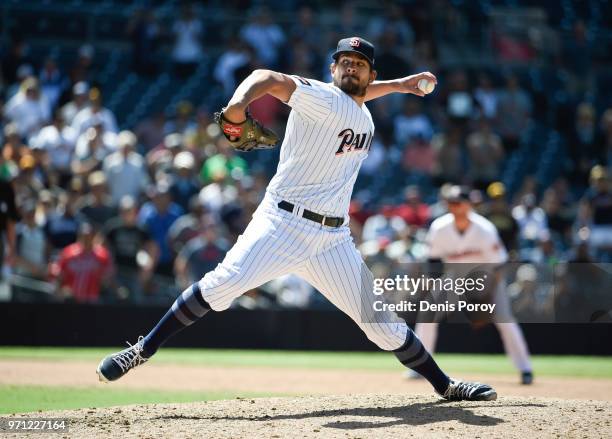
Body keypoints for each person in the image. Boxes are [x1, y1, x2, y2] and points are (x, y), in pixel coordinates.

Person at [97, 37, 497, 402]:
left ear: (371, 74)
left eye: (359, 63)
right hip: (282, 225)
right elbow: (265, 76)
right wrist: (238, 107)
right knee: (223, 284)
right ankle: (141, 350)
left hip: (332, 240)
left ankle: (445, 386)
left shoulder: (364, 114)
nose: (351, 68)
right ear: (331, 70)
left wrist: (398, 85)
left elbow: (359, 98)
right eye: (344, 62)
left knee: (382, 324)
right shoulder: (320, 97)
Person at [412, 186, 533, 385]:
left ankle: (525, 368)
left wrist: (485, 298)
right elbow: (433, 263)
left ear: (469, 205)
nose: (454, 207)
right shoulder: (439, 227)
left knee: (504, 318)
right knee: (428, 313)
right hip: (455, 279)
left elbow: (500, 266)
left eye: (458, 202)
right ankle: (419, 368)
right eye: (450, 202)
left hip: (487, 279)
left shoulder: (484, 229)